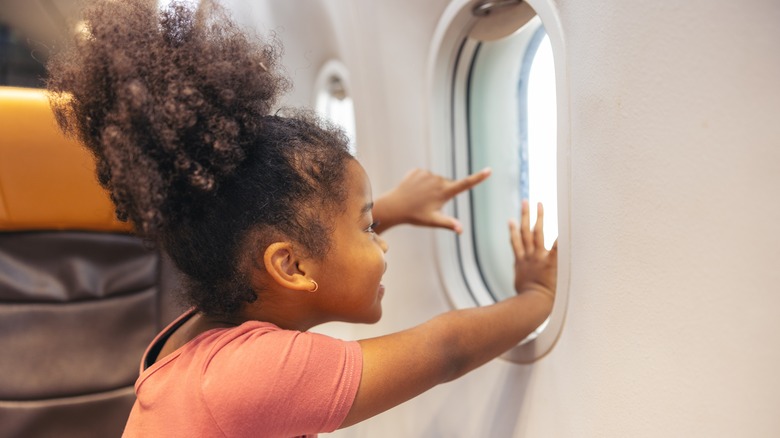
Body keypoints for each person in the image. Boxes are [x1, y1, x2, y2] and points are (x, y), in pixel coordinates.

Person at [46, 1, 558, 436]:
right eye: (367, 227)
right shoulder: (253, 375)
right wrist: (539, 297)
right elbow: (445, 351)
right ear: (290, 266)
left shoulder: (202, 335)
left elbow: (313, 244)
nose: (381, 244)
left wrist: (391, 209)